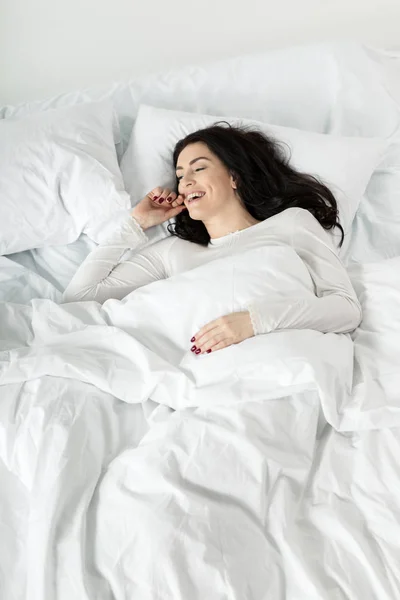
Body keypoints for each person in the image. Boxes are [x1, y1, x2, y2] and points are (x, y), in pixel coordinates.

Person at [62, 123, 362, 356]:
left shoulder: (292, 224)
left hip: (278, 359)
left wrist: (253, 322)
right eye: (180, 175)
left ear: (234, 177)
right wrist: (136, 224)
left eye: (199, 168)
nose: (185, 181)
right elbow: (79, 298)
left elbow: (345, 309)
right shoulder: (172, 252)